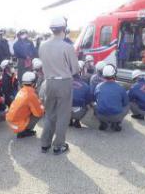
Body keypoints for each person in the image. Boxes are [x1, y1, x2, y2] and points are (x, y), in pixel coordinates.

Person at [39, 16, 79, 155]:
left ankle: (45, 143)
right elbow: (75, 69)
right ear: (64, 29)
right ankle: (58, 145)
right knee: (63, 115)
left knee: (50, 114)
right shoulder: (67, 47)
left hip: (49, 81)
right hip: (64, 82)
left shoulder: (42, 45)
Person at [6, 72, 44, 138]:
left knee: (33, 109)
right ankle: (23, 131)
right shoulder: (31, 95)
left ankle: (22, 130)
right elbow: (38, 113)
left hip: (11, 122)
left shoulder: (22, 90)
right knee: (40, 113)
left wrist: (38, 101)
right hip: (18, 126)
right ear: (33, 83)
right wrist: (42, 106)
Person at [94, 64, 129, 132]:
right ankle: (116, 123)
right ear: (114, 75)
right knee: (128, 105)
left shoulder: (98, 86)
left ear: (103, 75)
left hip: (101, 115)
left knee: (95, 104)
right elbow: (125, 103)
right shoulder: (120, 87)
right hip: (116, 116)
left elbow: (96, 99)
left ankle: (103, 122)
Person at [70, 62, 91, 128]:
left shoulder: (63, 84)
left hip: (65, 112)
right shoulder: (85, 86)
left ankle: (69, 120)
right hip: (79, 112)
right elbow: (88, 101)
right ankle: (77, 120)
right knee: (87, 105)